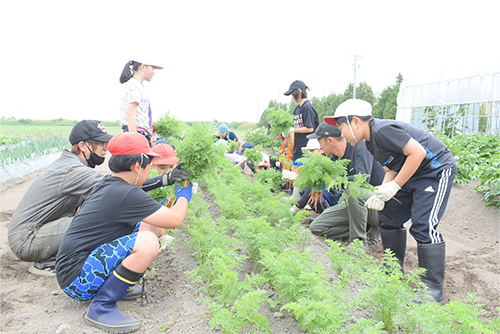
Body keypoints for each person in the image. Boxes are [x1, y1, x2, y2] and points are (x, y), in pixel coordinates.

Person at [8, 120, 187, 277]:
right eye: (101, 145)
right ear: (84, 146)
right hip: (28, 239)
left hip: (41, 229)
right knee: (96, 224)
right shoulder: (72, 170)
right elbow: (116, 187)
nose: (105, 150)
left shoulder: (72, 164)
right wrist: (165, 179)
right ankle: (47, 262)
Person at [55, 132, 193, 333]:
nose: (148, 171)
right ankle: (102, 306)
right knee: (147, 242)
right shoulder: (125, 193)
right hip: (76, 280)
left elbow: (148, 199)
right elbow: (175, 219)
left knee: (149, 226)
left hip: (74, 270)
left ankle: (115, 285)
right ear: (137, 166)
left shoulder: (111, 184)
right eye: (148, 166)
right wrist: (184, 195)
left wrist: (167, 180)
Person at [325, 99, 456, 304]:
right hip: (411, 171)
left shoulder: (383, 130)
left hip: (434, 169)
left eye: (342, 128)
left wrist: (395, 186)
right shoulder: (370, 142)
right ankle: (393, 271)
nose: (342, 134)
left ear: (356, 122)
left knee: (424, 225)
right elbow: (390, 168)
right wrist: (382, 191)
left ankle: (433, 290)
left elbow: (419, 153)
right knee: (390, 216)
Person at [305, 121, 384, 245]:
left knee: (354, 191)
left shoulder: (360, 146)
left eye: (320, 143)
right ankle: (367, 230)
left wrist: (338, 182)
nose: (320, 148)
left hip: (379, 205)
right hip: (356, 206)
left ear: (330, 140)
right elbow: (316, 185)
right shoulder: (334, 160)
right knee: (316, 227)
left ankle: (358, 243)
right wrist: (297, 206)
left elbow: (363, 179)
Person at [119, 59, 163, 146]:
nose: (154, 72)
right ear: (143, 67)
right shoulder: (134, 86)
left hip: (141, 134)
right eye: (153, 68)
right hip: (136, 134)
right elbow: (130, 115)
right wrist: (135, 143)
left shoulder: (138, 85)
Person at [283, 80, 319, 173]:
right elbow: (294, 124)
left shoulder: (307, 107)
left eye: (292, 94)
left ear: (299, 91)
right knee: (295, 169)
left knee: (303, 172)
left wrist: (293, 130)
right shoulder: (297, 109)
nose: (292, 97)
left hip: (307, 146)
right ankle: (295, 188)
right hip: (298, 145)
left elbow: (310, 128)